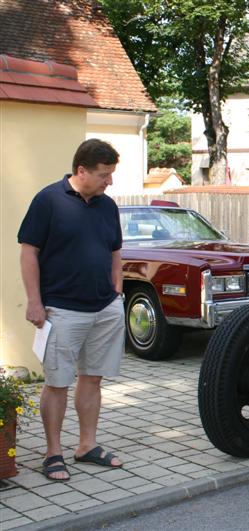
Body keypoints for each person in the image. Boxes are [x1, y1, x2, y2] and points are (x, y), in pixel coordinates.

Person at [18, 139, 126, 481]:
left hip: (105, 308)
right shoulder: (48, 200)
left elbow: (115, 253)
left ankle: (86, 445)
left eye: (110, 174)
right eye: (103, 174)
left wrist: (117, 291)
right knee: (57, 382)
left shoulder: (107, 206)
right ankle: (53, 453)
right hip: (62, 309)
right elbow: (28, 252)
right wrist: (35, 301)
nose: (109, 181)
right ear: (81, 171)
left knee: (92, 378)